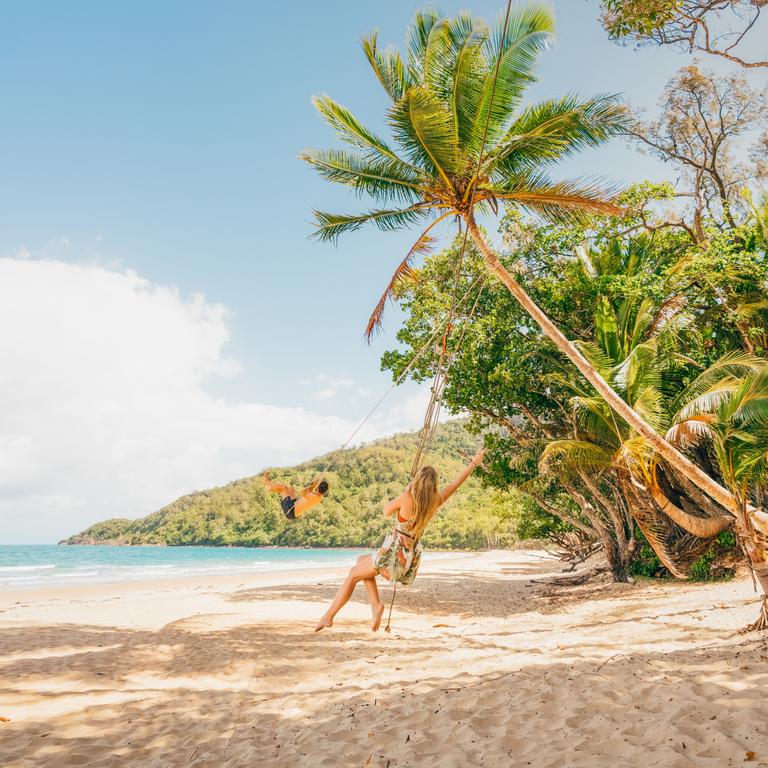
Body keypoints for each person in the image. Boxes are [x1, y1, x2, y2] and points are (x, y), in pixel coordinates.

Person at [314, 447, 486, 632]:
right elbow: (457, 482)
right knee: (360, 562)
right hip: (406, 557)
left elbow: (386, 511)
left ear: (417, 481)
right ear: (434, 485)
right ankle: (375, 606)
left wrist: (406, 490)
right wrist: (474, 462)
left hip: (393, 555)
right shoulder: (436, 500)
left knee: (353, 574)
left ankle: (328, 617)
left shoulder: (406, 497)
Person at [262, 472, 329, 520]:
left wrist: (313, 485)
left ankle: (266, 482)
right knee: (291, 489)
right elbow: (312, 492)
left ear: (318, 487)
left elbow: (302, 492)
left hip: (290, 511)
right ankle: (271, 489)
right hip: (293, 506)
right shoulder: (319, 497)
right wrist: (315, 484)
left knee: (284, 488)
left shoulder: (313, 497)